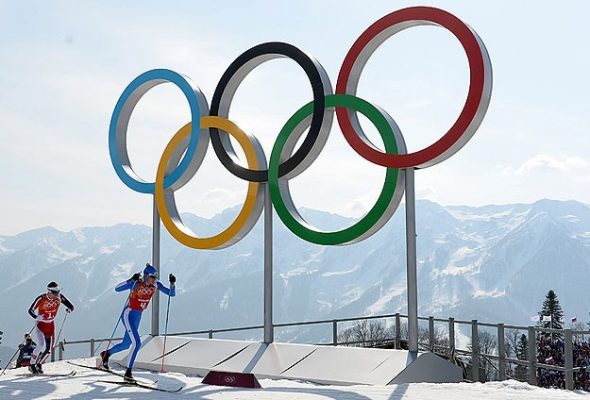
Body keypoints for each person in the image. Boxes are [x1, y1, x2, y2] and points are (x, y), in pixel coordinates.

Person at [100, 263, 176, 382]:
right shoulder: (136, 284)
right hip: (128, 315)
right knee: (137, 343)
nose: (154, 280)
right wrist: (130, 280)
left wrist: (172, 284)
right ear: (146, 276)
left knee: (126, 344)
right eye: (152, 277)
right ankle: (128, 373)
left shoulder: (156, 285)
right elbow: (117, 288)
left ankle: (106, 354)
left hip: (138, 316)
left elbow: (171, 294)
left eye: (155, 278)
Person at [27, 281, 74, 374]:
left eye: (58, 292)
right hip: (40, 325)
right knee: (40, 345)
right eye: (54, 292)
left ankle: (39, 364)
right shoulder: (41, 298)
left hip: (50, 326)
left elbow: (71, 306)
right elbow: (30, 310)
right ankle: (31, 365)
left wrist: (69, 309)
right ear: (49, 291)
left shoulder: (59, 297)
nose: (57, 294)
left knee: (49, 350)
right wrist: (36, 317)